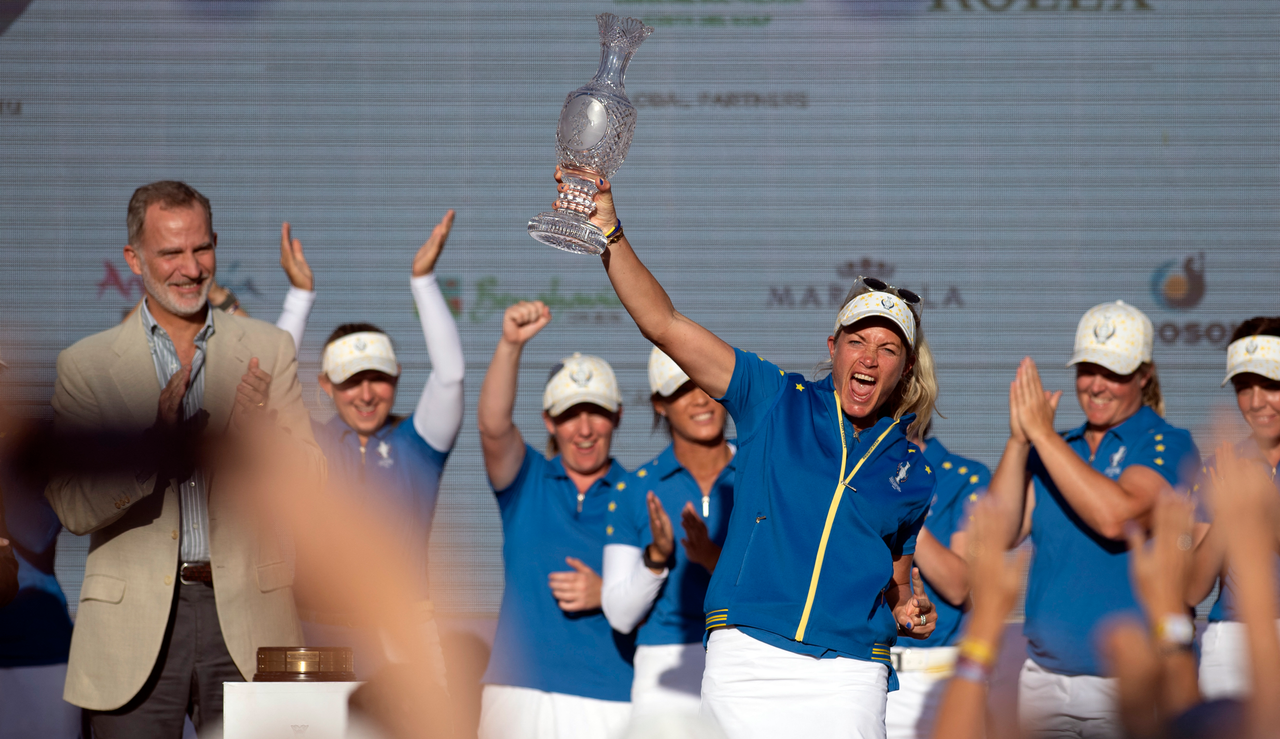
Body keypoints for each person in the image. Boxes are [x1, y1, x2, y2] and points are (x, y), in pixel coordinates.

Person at [566, 170, 938, 739]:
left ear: (905, 367)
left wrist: (910, 608)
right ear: (833, 348)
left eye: (888, 347)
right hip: (748, 662)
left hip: (851, 675)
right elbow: (663, 324)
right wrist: (609, 231)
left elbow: (896, 583)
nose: (870, 356)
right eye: (858, 340)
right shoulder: (773, 399)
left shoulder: (914, 473)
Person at [44, 180, 323, 736]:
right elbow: (72, 507)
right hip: (131, 635)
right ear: (134, 258)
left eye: (202, 249)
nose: (191, 268)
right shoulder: (87, 365)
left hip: (253, 621)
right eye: (171, 252)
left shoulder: (268, 349)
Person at [986, 300, 1199, 739]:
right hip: (1042, 679)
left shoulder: (1167, 443)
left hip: (1129, 681)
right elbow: (1000, 532)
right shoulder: (1056, 448)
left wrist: (1043, 437)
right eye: (1088, 369)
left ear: (1145, 374)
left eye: (1115, 372)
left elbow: (1116, 516)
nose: (1097, 385)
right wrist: (1018, 440)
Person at [268, 213, 465, 682]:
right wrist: (299, 297)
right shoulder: (307, 441)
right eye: (352, 382)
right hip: (313, 628)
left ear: (397, 381)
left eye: (379, 379)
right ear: (325, 387)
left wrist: (424, 282)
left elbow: (451, 375)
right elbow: (272, 388)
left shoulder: (419, 445)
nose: (367, 394)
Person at [476, 300, 635, 739]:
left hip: (611, 696)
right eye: (569, 414)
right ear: (549, 421)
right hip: (515, 694)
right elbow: (492, 426)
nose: (583, 429)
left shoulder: (642, 492)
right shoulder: (525, 480)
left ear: (618, 415)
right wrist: (510, 345)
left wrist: (610, 594)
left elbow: (671, 597)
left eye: (596, 412)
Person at [602, 347, 736, 719]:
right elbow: (620, 616)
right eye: (681, 389)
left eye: (706, 385)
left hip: (751, 659)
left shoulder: (762, 474)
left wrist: (711, 557)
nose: (699, 399)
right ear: (659, 404)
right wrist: (656, 558)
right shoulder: (634, 490)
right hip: (664, 667)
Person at [1186, 317, 1280, 701]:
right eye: (1244, 388)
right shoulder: (1218, 466)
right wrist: (1226, 516)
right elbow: (1192, 590)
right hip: (1230, 643)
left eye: (1271, 385)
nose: (1256, 402)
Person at [884, 428, 990, 739]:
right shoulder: (854, 471)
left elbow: (959, 585)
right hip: (868, 668)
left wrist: (905, 511)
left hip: (938, 675)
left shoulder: (966, 476)